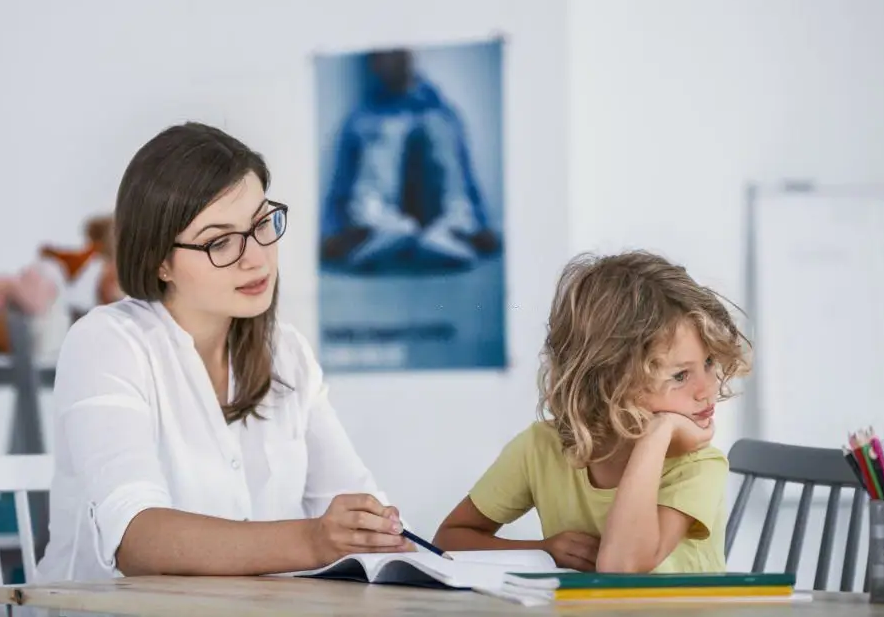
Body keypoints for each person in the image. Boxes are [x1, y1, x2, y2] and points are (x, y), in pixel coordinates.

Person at [37, 122, 412, 581]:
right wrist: (313, 540)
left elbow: (355, 502)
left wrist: (372, 530)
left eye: (260, 225)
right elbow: (135, 538)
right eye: (220, 241)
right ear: (160, 261)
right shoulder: (107, 343)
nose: (255, 257)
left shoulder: (286, 352)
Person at [433, 251, 752, 574]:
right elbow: (448, 539)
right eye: (680, 376)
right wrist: (543, 550)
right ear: (609, 380)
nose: (707, 389)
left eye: (709, 363)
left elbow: (623, 568)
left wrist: (658, 434)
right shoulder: (541, 448)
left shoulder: (698, 465)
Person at [320, 49, 500, 273]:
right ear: (373, 63)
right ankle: (376, 230)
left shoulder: (441, 111)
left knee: (436, 126)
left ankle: (453, 229)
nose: (394, 58)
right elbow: (343, 180)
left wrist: (482, 224)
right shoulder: (363, 116)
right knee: (385, 129)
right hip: (387, 219)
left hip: (434, 216)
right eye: (384, 54)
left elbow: (464, 175)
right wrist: (331, 232)